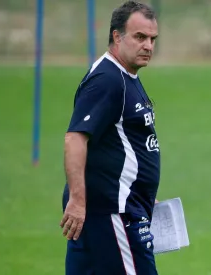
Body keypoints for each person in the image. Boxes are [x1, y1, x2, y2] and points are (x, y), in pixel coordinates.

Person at [59, 1, 161, 274]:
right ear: (117, 36)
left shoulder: (126, 77)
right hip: (114, 213)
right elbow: (75, 139)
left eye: (152, 39)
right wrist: (78, 201)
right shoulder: (108, 79)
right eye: (140, 37)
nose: (148, 46)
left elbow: (122, 144)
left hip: (117, 207)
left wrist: (144, 192)